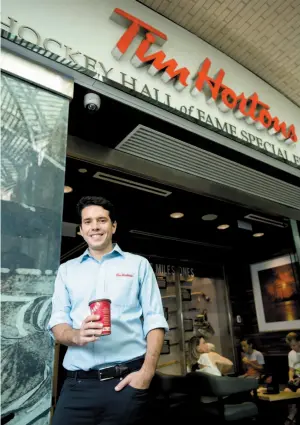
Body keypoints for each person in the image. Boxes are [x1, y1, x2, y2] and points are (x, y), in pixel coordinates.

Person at [48, 196, 169, 425]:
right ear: (81, 230)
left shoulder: (138, 265)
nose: (95, 226)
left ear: (113, 226)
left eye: (102, 220)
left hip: (127, 383)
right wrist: (75, 335)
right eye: (88, 221)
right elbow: (58, 321)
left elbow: (154, 320)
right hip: (77, 386)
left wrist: (147, 372)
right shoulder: (67, 270)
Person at [284, 332, 300, 425]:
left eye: (294, 345)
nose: (292, 348)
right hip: (296, 378)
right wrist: (290, 378)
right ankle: (292, 412)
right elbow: (291, 370)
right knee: (286, 391)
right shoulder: (291, 354)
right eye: (290, 346)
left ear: (299, 342)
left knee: (298, 392)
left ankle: (293, 414)